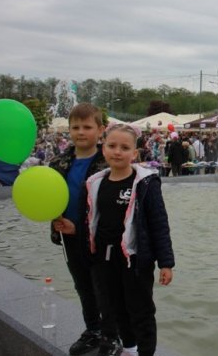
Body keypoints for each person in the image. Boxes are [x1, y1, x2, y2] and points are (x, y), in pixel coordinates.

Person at [87, 123, 175, 356]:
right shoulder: (96, 183)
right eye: (112, 146)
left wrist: (166, 263)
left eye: (124, 148)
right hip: (105, 259)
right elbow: (91, 220)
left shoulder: (145, 184)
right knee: (116, 307)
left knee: (141, 310)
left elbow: (159, 224)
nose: (117, 152)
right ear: (103, 148)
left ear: (134, 153)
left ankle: (146, 352)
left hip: (135, 261)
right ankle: (130, 348)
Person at [50, 103, 107, 355]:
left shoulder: (108, 162)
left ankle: (111, 332)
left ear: (100, 130)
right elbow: (48, 196)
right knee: (83, 286)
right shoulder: (58, 163)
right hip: (69, 237)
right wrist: (54, 218)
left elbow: (114, 205)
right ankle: (92, 330)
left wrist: (81, 228)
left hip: (101, 238)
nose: (80, 132)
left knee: (103, 286)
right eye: (75, 127)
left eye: (87, 127)